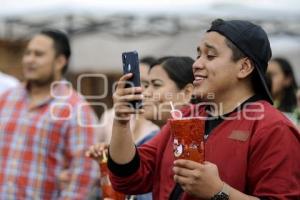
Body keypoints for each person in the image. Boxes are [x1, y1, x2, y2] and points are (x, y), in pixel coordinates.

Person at [106, 19, 300, 199]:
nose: (197, 64)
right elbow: (131, 176)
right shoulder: (187, 115)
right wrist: (121, 121)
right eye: (198, 55)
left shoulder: (273, 128)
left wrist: (219, 192)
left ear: (244, 67)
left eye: (210, 55)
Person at [0, 29, 99, 199]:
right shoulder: (8, 98)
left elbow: (84, 173)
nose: (29, 59)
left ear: (60, 61)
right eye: (28, 53)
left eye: (38, 54)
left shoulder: (76, 109)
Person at [87, 56, 195, 200]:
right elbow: (127, 180)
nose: (145, 93)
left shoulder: (198, 139)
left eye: (156, 85)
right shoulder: (154, 140)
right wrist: (108, 158)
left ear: (186, 93)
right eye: (145, 85)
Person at [267, 57, 298, 122]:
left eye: (272, 75)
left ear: (287, 79)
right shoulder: (258, 106)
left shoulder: (297, 105)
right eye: (266, 75)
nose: (267, 79)